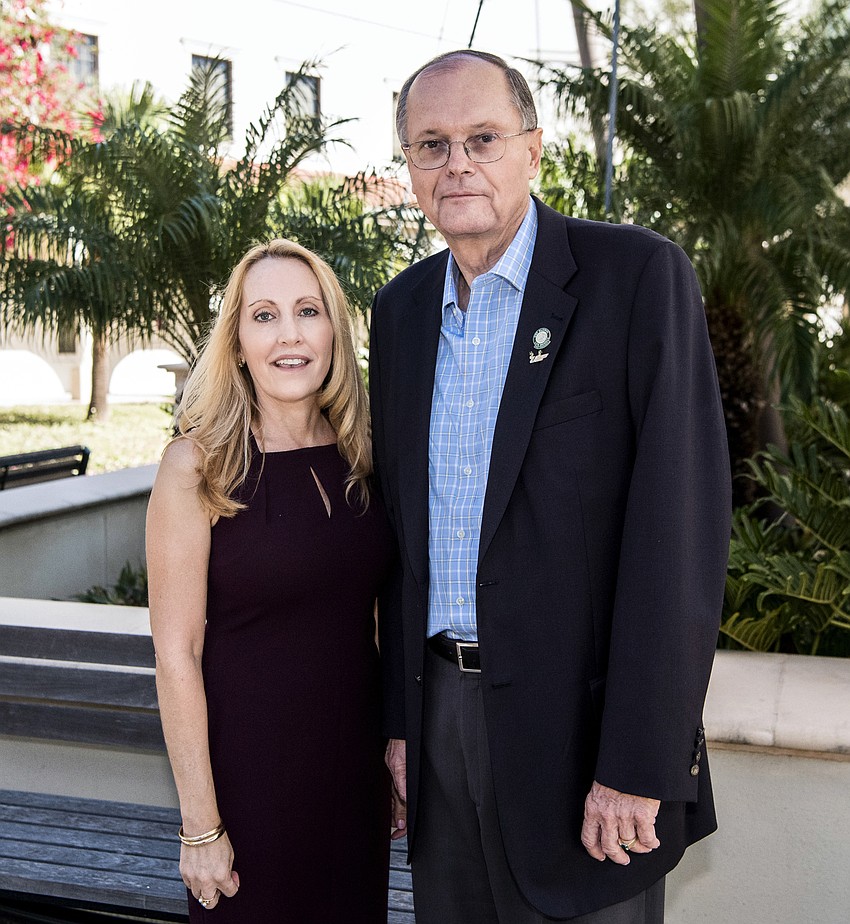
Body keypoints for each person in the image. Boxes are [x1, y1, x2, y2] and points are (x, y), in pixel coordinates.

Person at [369, 50, 732, 923]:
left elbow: (678, 534)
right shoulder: (400, 311)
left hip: (587, 752)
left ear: (533, 149)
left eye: (482, 139)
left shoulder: (636, 278)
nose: (457, 164)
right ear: (410, 168)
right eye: (431, 144)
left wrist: (639, 766)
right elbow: (397, 542)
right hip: (440, 724)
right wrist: (401, 723)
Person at [147, 239, 393, 923]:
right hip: (247, 785)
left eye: (307, 311)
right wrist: (201, 826)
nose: (289, 334)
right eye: (264, 315)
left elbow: (375, 620)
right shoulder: (196, 466)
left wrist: (393, 761)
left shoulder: (366, 455)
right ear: (237, 340)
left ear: (334, 332)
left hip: (352, 780)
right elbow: (176, 656)